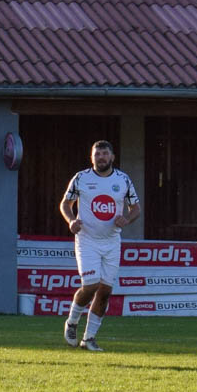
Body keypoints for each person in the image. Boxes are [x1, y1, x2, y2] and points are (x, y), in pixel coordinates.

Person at [58, 140, 140, 352]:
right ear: (91, 157)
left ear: (112, 157)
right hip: (87, 240)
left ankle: (89, 338)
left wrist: (126, 219)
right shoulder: (81, 178)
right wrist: (71, 220)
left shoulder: (123, 180)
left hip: (112, 242)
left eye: (104, 154)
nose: (101, 157)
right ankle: (72, 321)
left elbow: (136, 208)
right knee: (91, 285)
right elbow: (65, 203)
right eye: (97, 154)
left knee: (105, 291)